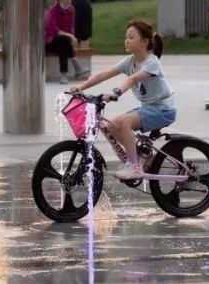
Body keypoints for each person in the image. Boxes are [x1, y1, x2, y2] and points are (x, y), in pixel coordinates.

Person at [71, 18, 175, 181]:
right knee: (110, 125)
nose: (127, 40)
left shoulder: (151, 62)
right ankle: (143, 157)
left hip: (163, 110)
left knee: (123, 122)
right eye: (126, 36)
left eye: (131, 37)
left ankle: (134, 167)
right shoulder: (130, 61)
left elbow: (132, 79)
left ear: (145, 41)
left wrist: (115, 93)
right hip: (149, 108)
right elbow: (103, 75)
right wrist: (81, 87)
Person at [44, 0, 89, 84]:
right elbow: (53, 30)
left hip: (62, 42)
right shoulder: (52, 11)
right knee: (64, 40)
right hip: (50, 42)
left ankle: (64, 76)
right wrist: (71, 37)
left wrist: (71, 40)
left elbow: (71, 27)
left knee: (63, 44)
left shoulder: (71, 10)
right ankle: (77, 67)